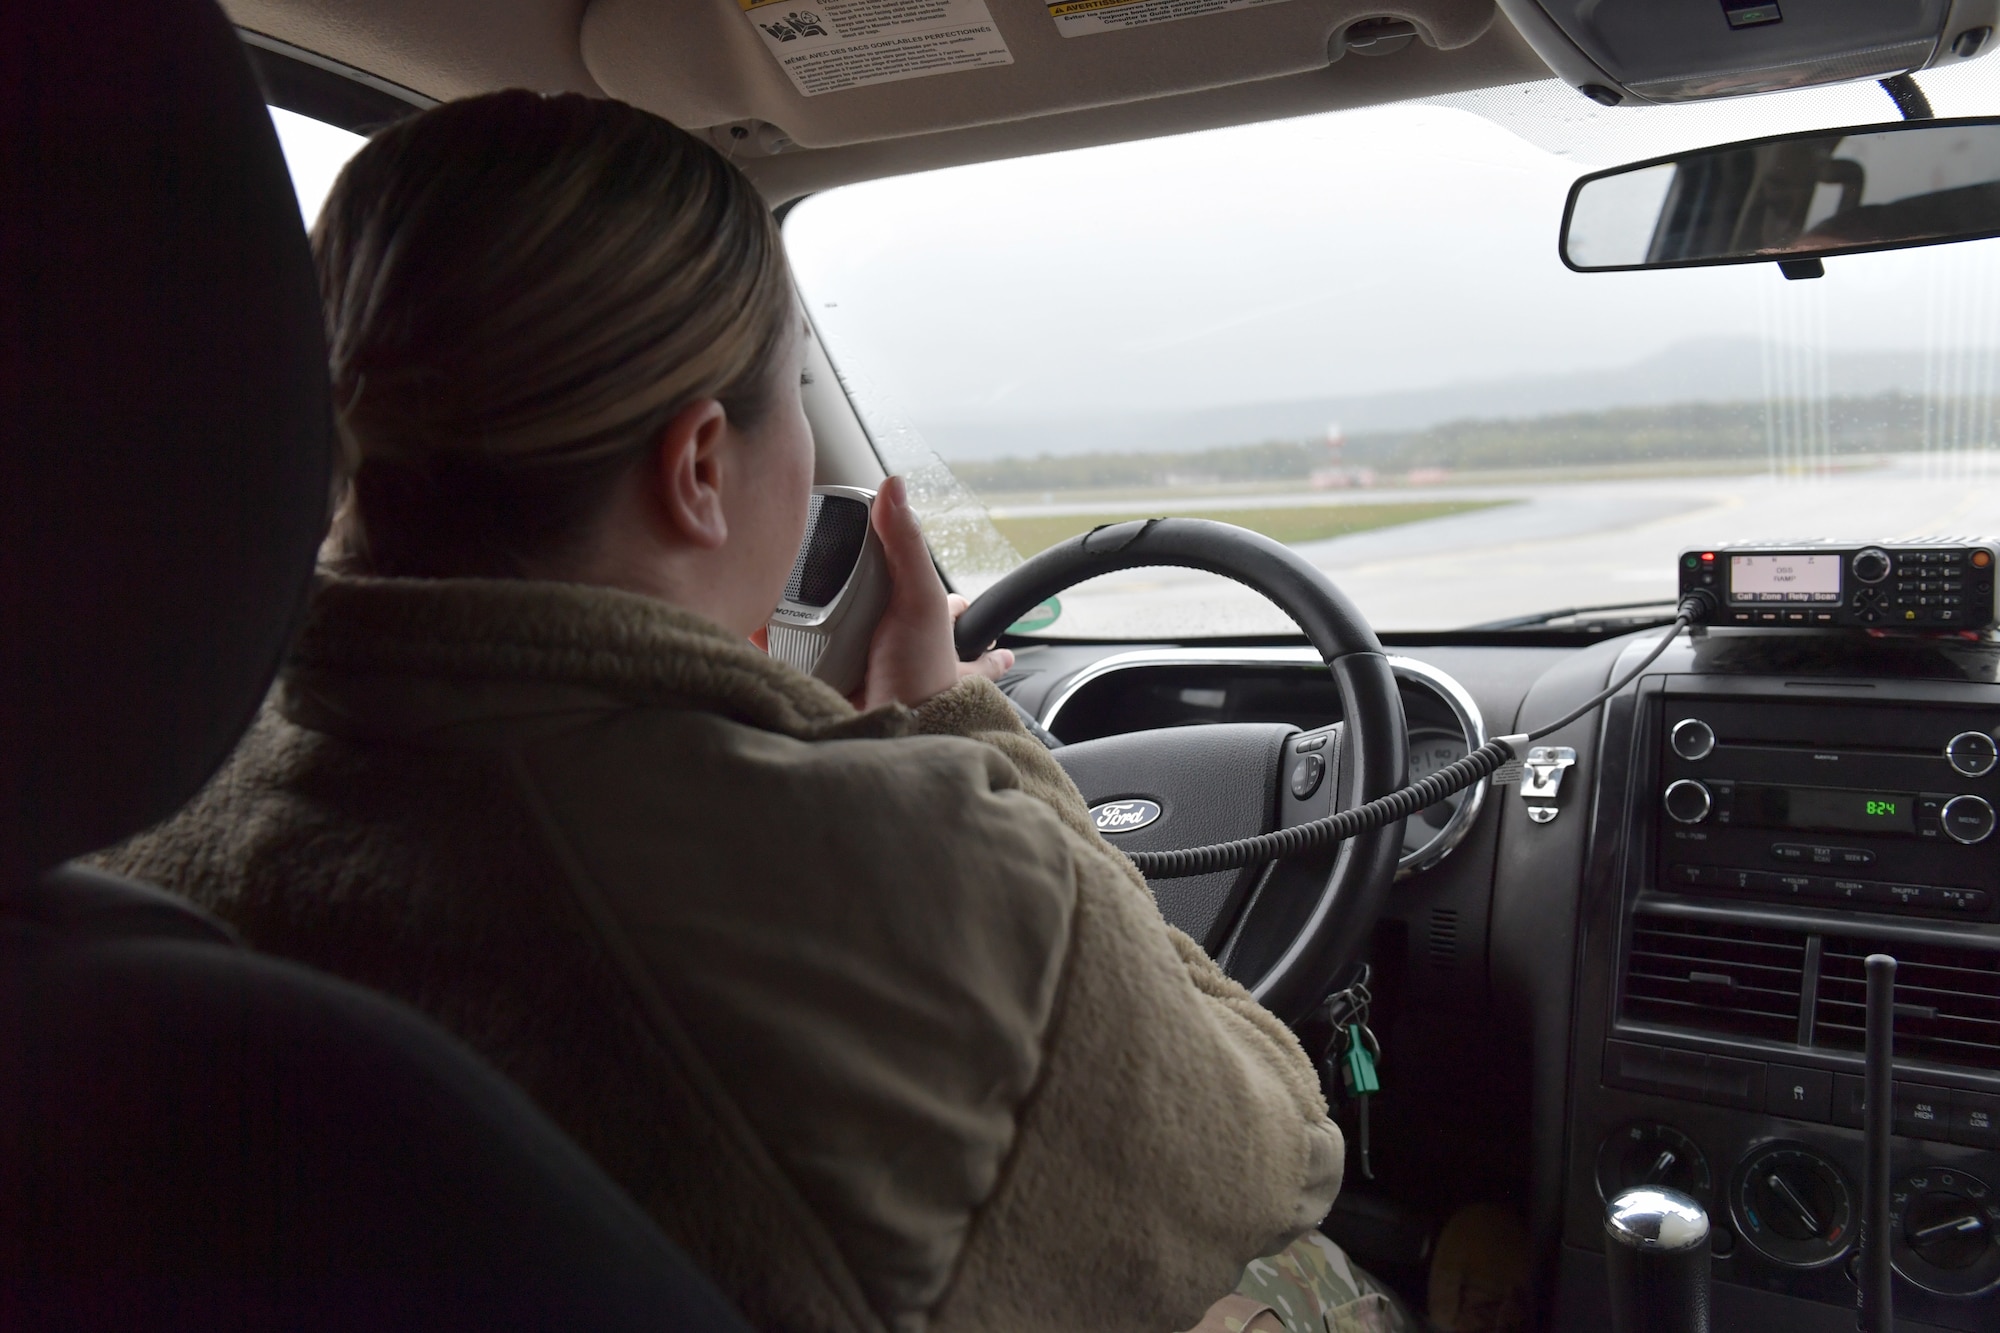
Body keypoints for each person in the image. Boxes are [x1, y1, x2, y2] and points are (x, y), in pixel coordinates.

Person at [94, 91, 1413, 1333]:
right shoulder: (908, 865)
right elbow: (1270, 1147)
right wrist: (967, 736)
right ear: (701, 466)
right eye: (793, 403)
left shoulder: (133, 805)